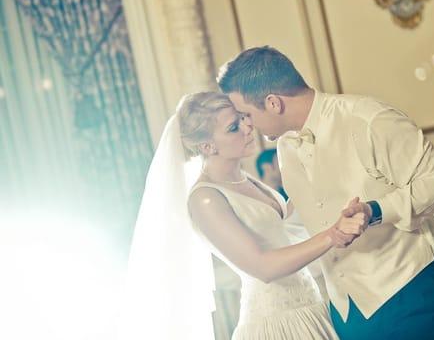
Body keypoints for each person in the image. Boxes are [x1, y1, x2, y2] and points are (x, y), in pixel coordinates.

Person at [218, 46, 434, 340]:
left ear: (273, 103)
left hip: (406, 288)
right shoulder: (284, 148)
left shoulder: (367, 118)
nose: (247, 125)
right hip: (345, 310)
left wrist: (375, 210)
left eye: (246, 114)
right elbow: (308, 218)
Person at [119, 92, 369, 340]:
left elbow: (285, 229)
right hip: (277, 324)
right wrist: (332, 235)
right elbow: (263, 266)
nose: (248, 126)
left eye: (242, 117)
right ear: (207, 146)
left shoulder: (247, 180)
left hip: (313, 308)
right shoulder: (205, 199)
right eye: (233, 126)